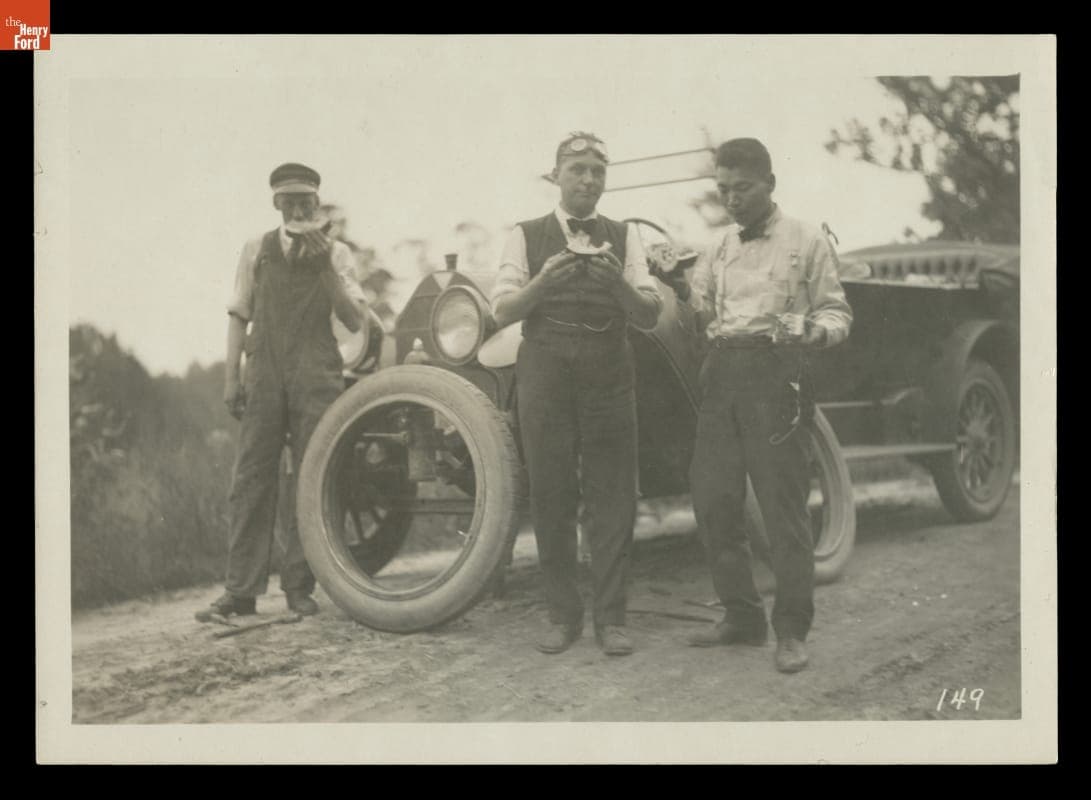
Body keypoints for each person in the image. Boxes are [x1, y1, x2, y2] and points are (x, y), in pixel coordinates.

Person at [660, 138, 852, 673]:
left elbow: (839, 313)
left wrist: (814, 332)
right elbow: (701, 318)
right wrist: (678, 286)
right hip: (721, 375)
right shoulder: (718, 247)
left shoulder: (806, 239)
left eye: (741, 188)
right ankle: (742, 616)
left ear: (770, 183)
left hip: (777, 376)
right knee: (714, 502)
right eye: (722, 190)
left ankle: (791, 630)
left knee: (782, 510)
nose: (731, 199)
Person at [491, 132, 662, 656]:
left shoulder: (624, 234)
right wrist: (543, 281)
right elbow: (502, 311)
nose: (588, 180)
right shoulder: (523, 234)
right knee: (552, 491)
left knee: (612, 493)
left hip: (609, 365)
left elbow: (649, 313)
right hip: (544, 365)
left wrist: (619, 285)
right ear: (557, 176)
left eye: (597, 171)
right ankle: (562, 617)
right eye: (577, 170)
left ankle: (612, 620)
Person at [196, 163, 366, 622]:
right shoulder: (258, 249)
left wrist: (325, 266)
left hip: (316, 371)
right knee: (251, 477)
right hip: (265, 370)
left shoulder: (340, 253)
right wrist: (233, 377)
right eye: (290, 201)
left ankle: (298, 587)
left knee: (310, 477)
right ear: (276, 204)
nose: (299, 208)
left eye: (306, 201)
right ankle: (241, 591)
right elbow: (238, 314)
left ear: (317, 202)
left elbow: (354, 321)